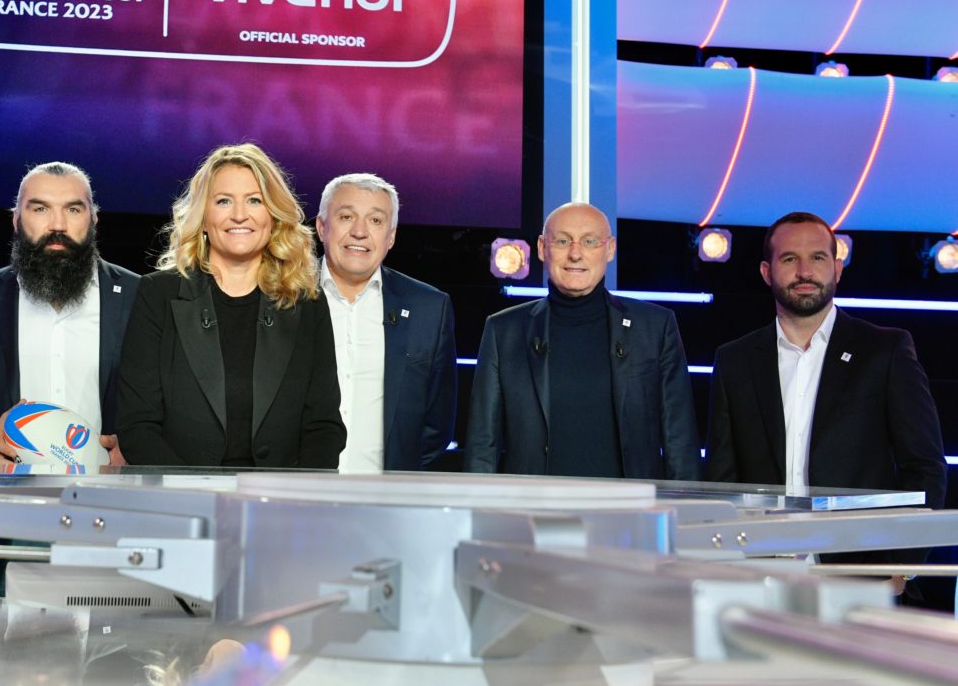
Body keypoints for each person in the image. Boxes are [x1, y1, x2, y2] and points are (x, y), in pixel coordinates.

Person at [116, 143, 345, 468]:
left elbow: (323, 427)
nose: (239, 214)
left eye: (254, 200)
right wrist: (192, 491)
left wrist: (290, 493)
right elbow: (137, 426)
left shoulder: (306, 302)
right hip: (182, 493)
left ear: (273, 216)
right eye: (224, 201)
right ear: (203, 218)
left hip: (282, 495)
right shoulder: (158, 295)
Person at [706, 212, 946, 507]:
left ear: (837, 269)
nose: (804, 272)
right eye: (790, 259)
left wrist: (900, 539)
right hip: (762, 536)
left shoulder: (885, 351)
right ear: (767, 272)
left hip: (857, 537)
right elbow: (721, 480)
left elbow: (925, 469)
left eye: (817, 258)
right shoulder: (735, 361)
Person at [466, 202, 698, 479]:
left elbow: (680, 442)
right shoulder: (503, 331)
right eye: (563, 241)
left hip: (629, 503)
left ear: (609, 249)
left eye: (590, 241)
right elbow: (483, 445)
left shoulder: (655, 327)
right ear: (542, 248)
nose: (575, 254)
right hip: (533, 501)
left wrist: (683, 502)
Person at [0, 162, 139, 465]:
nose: (58, 225)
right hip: (7, 491)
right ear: (16, 220)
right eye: (40, 209)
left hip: (111, 490)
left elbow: (173, 411)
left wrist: (138, 450)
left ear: (94, 219)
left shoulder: (138, 297)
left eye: (73, 209)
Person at [315, 173, 457, 472]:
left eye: (376, 221)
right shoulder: (283, 297)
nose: (359, 232)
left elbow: (437, 424)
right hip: (297, 491)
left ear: (390, 237)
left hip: (386, 493)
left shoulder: (428, 308)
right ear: (321, 227)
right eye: (346, 217)